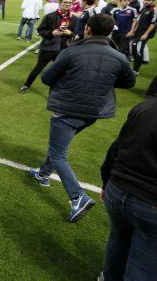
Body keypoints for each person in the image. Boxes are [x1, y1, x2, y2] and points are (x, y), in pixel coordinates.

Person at [28, 14, 137, 223]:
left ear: (87, 29)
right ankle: (43, 173)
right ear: (110, 32)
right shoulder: (118, 56)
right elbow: (129, 82)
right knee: (58, 145)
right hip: (93, 113)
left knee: (59, 153)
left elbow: (46, 77)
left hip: (68, 109)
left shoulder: (72, 51)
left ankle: (78, 197)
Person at [98, 88, 157, 281]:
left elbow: (116, 149)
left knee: (119, 242)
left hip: (119, 193)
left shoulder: (150, 105)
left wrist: (107, 183)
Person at [20, 0, 77, 93]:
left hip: (63, 50)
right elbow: (40, 30)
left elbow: (77, 34)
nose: (67, 4)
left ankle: (60, 90)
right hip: (48, 48)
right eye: (65, 2)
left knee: (62, 71)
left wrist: (70, 33)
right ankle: (26, 85)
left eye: (70, 3)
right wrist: (51, 33)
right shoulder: (50, 16)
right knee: (38, 69)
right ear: (60, 3)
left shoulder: (74, 18)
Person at [130, 0, 157, 75]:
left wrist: (146, 34)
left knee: (137, 49)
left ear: (153, 1)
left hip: (144, 34)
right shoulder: (144, 8)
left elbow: (153, 23)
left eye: (149, 0)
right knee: (135, 48)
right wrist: (133, 30)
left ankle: (136, 70)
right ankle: (136, 68)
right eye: (145, 0)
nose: (146, 2)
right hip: (138, 32)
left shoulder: (155, 9)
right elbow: (137, 19)